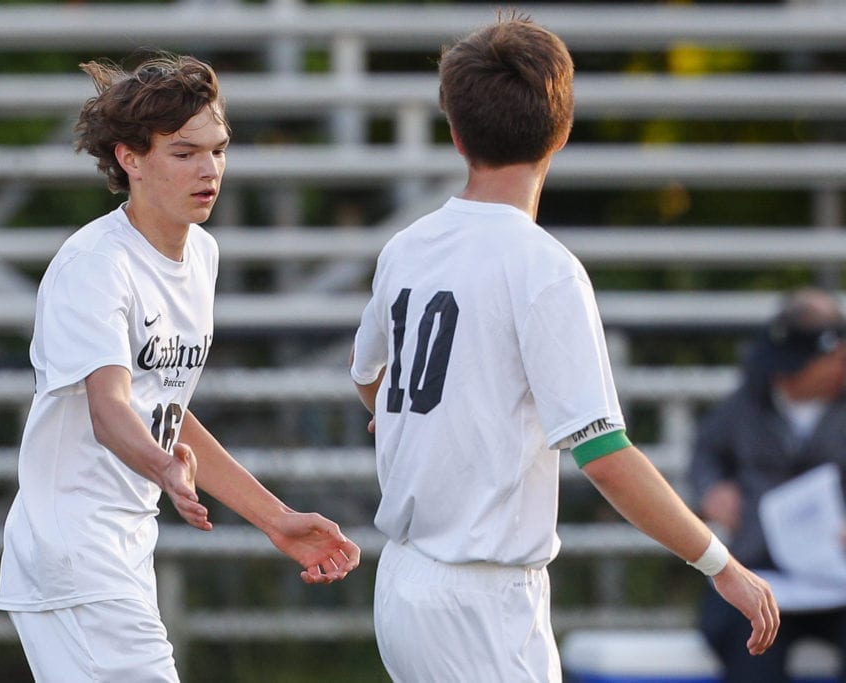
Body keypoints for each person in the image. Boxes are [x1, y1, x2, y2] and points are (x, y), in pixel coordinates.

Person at [348, 14, 779, 682]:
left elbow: (370, 378)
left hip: (403, 580)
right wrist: (721, 564)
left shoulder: (406, 247)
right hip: (482, 597)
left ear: (456, 136)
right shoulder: (544, 268)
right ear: (563, 130)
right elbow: (604, 455)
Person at [0, 54, 361, 683]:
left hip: (122, 549)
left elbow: (164, 410)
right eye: (185, 152)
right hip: (76, 551)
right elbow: (111, 411)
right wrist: (163, 466)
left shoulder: (202, 256)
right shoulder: (95, 265)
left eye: (218, 150)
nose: (210, 169)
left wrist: (275, 518)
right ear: (129, 158)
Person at [691, 287, 846, 683]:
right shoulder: (745, 403)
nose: (782, 374)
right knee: (745, 643)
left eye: (796, 364)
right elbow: (705, 456)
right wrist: (712, 491)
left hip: (839, 574)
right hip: (759, 570)